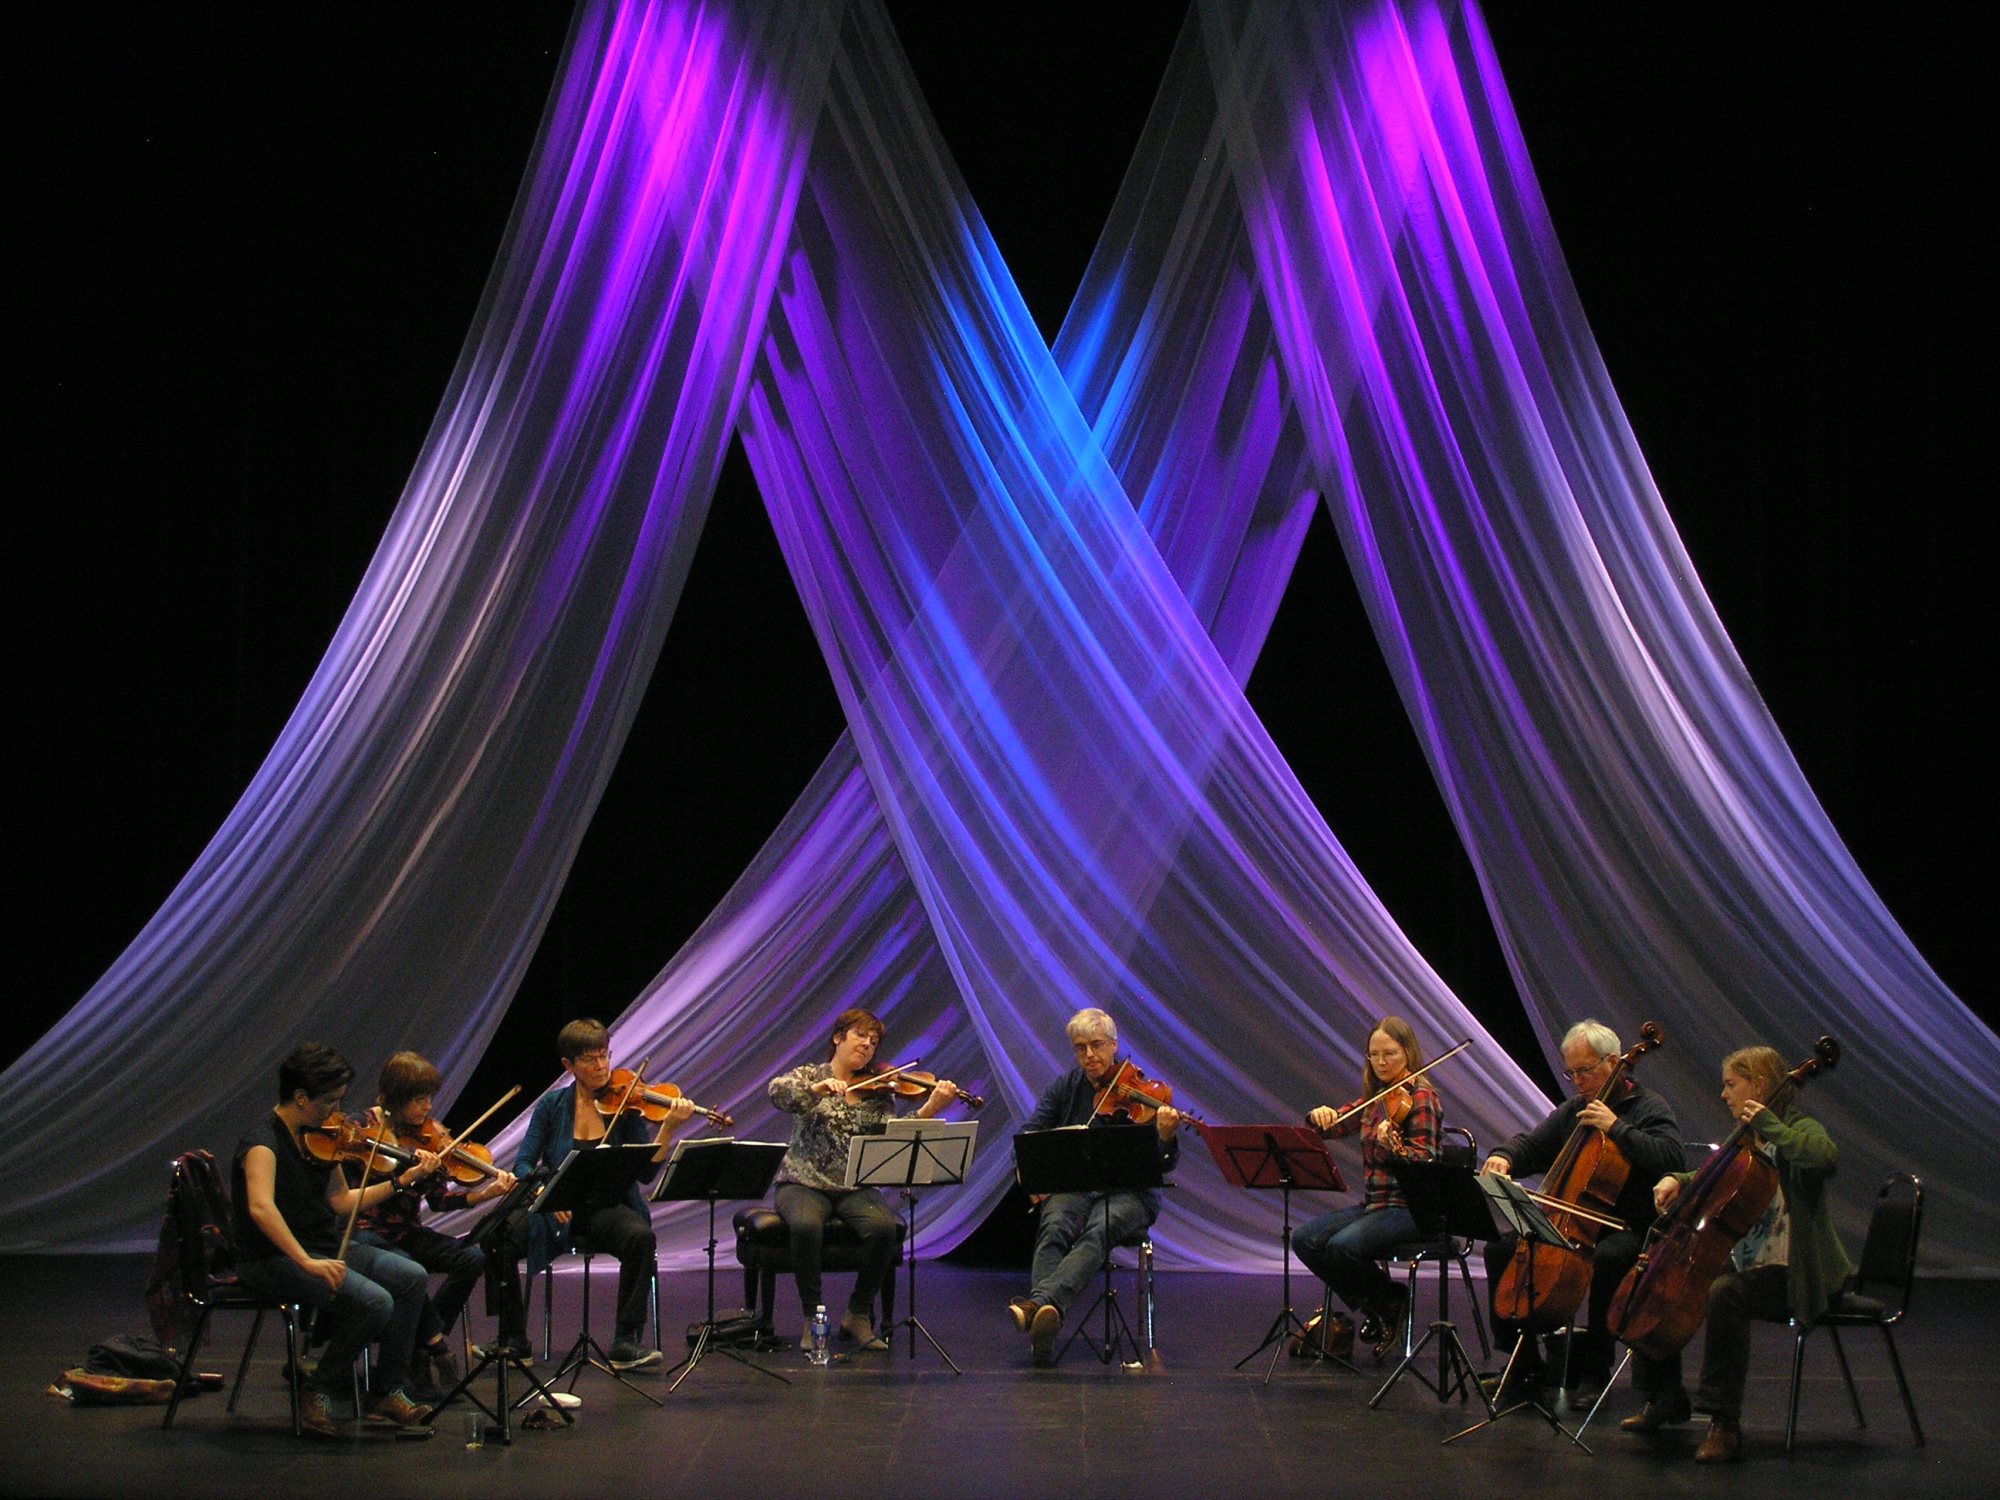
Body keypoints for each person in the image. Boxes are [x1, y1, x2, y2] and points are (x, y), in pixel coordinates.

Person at [1618, 1045, 1853, 1463]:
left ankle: (1724, 1423)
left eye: (1731, 1085)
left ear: (1759, 1086)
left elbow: (1824, 1158)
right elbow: (1711, 1173)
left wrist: (1770, 1125)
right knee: (1662, 1277)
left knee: (1726, 1293)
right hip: (1751, 1263)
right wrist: (1676, 1178)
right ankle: (1664, 1396)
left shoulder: (1798, 1127)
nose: (1723, 1094)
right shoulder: (1746, 1138)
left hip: (1794, 1271)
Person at [230, 1043, 441, 1437]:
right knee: (375, 1302)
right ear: (300, 1098)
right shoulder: (263, 1142)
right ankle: (319, 1390)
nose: (337, 1111)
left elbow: (342, 1202)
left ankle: (388, 1392)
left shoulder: (321, 1139)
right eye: (330, 1101)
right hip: (270, 1258)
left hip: (318, 1248)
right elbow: (261, 1209)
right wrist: (305, 1262)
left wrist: (400, 1182)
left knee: (412, 1276)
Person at [1477, 1019, 1684, 1411]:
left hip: (1629, 1225)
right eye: (1570, 1072)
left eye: (1584, 1070)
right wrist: (1503, 1156)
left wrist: (1617, 1128)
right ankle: (1522, 1364)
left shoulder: (1649, 1107)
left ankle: (1595, 1371)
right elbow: (1532, 1145)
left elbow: (1671, 1158)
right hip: (1577, 1223)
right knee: (1501, 1250)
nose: (1576, 1080)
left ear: (1612, 1063)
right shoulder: (1575, 1109)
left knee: (1607, 1260)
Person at [486, 1020, 695, 1372]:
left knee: (640, 1238)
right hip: (556, 1207)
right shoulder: (552, 1105)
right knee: (498, 1237)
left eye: (604, 1056)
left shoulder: (626, 1104)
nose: (601, 1067)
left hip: (606, 1206)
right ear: (568, 1066)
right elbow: (524, 1162)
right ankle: (514, 1340)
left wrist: (668, 1129)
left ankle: (626, 1341)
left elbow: (645, 1171)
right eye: (590, 1059)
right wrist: (542, 1192)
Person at [768, 1008, 959, 1352]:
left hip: (854, 1186)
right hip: (802, 1182)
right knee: (807, 1226)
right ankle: (814, 1318)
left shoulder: (878, 1092)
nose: (868, 1045)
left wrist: (931, 1107)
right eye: (860, 1036)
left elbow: (892, 1136)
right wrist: (817, 1089)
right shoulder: (811, 1074)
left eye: (874, 1042)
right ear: (838, 1037)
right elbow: (778, 1093)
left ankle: (857, 1313)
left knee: (884, 1227)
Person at [1010, 1007, 1181, 1364]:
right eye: (1080, 1047)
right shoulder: (1066, 1087)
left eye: (1097, 1045)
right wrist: (1025, 1170)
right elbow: (1030, 1134)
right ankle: (1044, 1329)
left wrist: (1164, 1137)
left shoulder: (1140, 1090)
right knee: (1054, 1224)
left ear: (1113, 1045)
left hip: (1132, 1193)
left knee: (1097, 1229)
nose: (1089, 1055)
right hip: (1076, 1187)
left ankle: (1039, 1305)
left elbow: (1163, 1164)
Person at [350, 1051, 518, 1400]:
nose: (427, 1108)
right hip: (369, 1234)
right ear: (396, 1098)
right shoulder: (364, 1128)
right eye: (418, 1100)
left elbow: (441, 1202)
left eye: (429, 1098)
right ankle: (433, 1345)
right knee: (411, 1271)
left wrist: (487, 1193)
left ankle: (421, 1345)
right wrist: (407, 1172)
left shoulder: (430, 1137)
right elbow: (352, 1193)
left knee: (471, 1258)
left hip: (407, 1233)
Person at [1294, 1016, 1440, 1360]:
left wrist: (1397, 1150)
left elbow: (1427, 1163)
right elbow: (1335, 1125)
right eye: (1374, 1055)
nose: (1381, 1062)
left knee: (1343, 1247)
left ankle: (1386, 1304)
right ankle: (1386, 1302)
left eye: (1389, 1053)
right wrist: (1320, 1117)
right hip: (1376, 1204)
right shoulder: (1376, 1099)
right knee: (1306, 1239)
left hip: (1410, 1208)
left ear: (1408, 1053)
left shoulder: (1422, 1099)